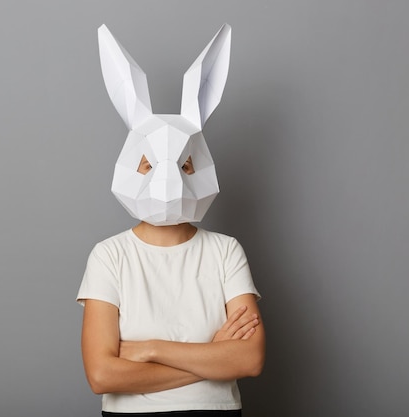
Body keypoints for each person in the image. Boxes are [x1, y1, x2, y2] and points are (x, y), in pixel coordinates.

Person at [76, 24, 264, 416]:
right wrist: (211, 356)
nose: (167, 182)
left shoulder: (225, 251)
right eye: (148, 166)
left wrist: (150, 350)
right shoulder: (109, 257)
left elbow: (248, 360)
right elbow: (102, 375)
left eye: (185, 165)